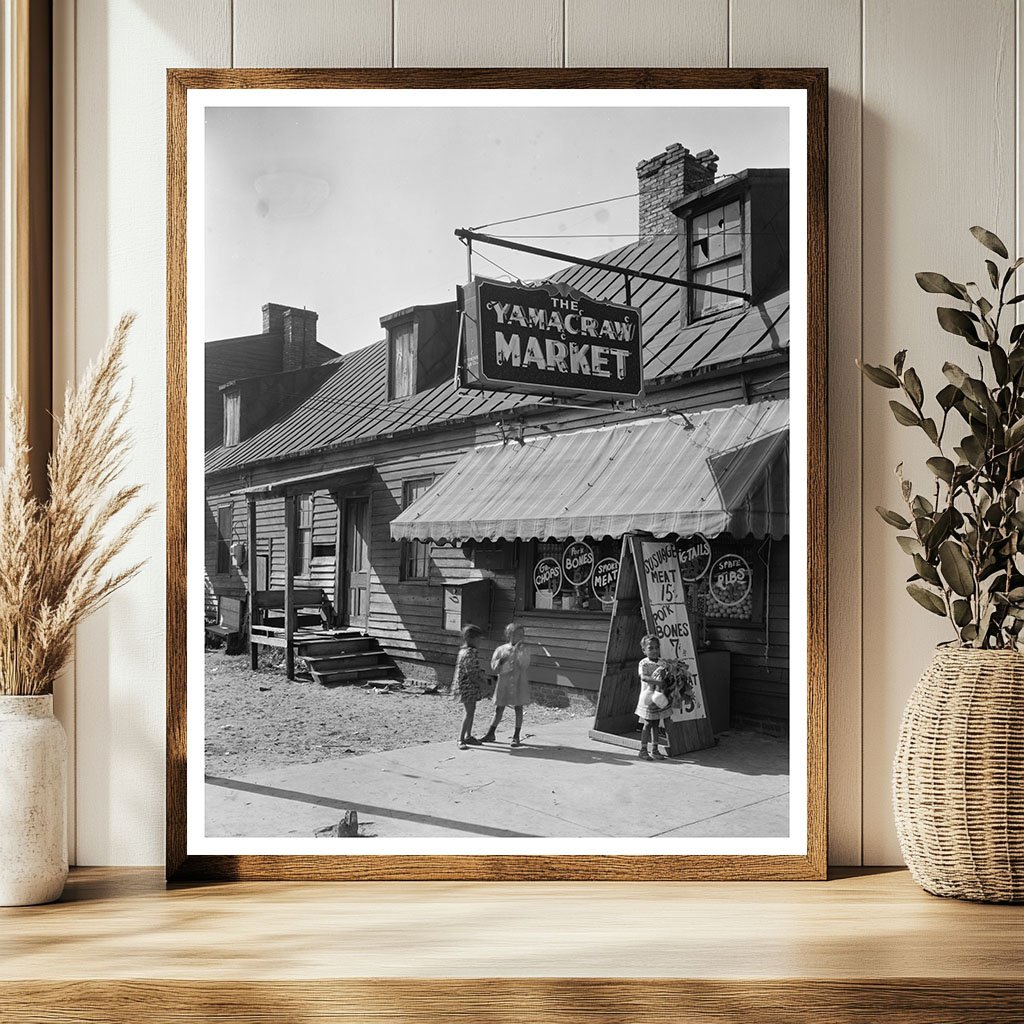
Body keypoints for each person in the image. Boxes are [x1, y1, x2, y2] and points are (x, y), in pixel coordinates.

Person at [482, 623, 531, 747]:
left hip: (519, 681)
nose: (520, 637)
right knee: (499, 707)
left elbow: (525, 665)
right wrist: (501, 661)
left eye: (522, 635)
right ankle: (491, 733)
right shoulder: (501, 649)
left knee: (518, 707)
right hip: (504, 682)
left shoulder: (524, 649)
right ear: (509, 635)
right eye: (517, 634)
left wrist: (519, 653)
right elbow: (494, 667)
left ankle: (516, 735)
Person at [635, 633, 673, 760]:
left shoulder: (663, 663)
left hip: (658, 698)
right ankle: (643, 749)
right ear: (644, 650)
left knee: (656, 723)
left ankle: (655, 749)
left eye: (657, 647)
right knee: (647, 723)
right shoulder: (644, 663)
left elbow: (667, 678)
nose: (655, 650)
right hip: (648, 698)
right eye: (651, 648)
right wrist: (658, 682)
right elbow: (644, 677)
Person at [451, 624, 486, 750]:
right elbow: (470, 672)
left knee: (472, 711)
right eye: (479, 639)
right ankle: (461, 739)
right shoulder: (470, 652)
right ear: (471, 639)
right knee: (469, 713)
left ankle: (468, 736)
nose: (480, 642)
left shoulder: (463, 651)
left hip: (466, 686)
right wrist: (481, 683)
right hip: (467, 687)